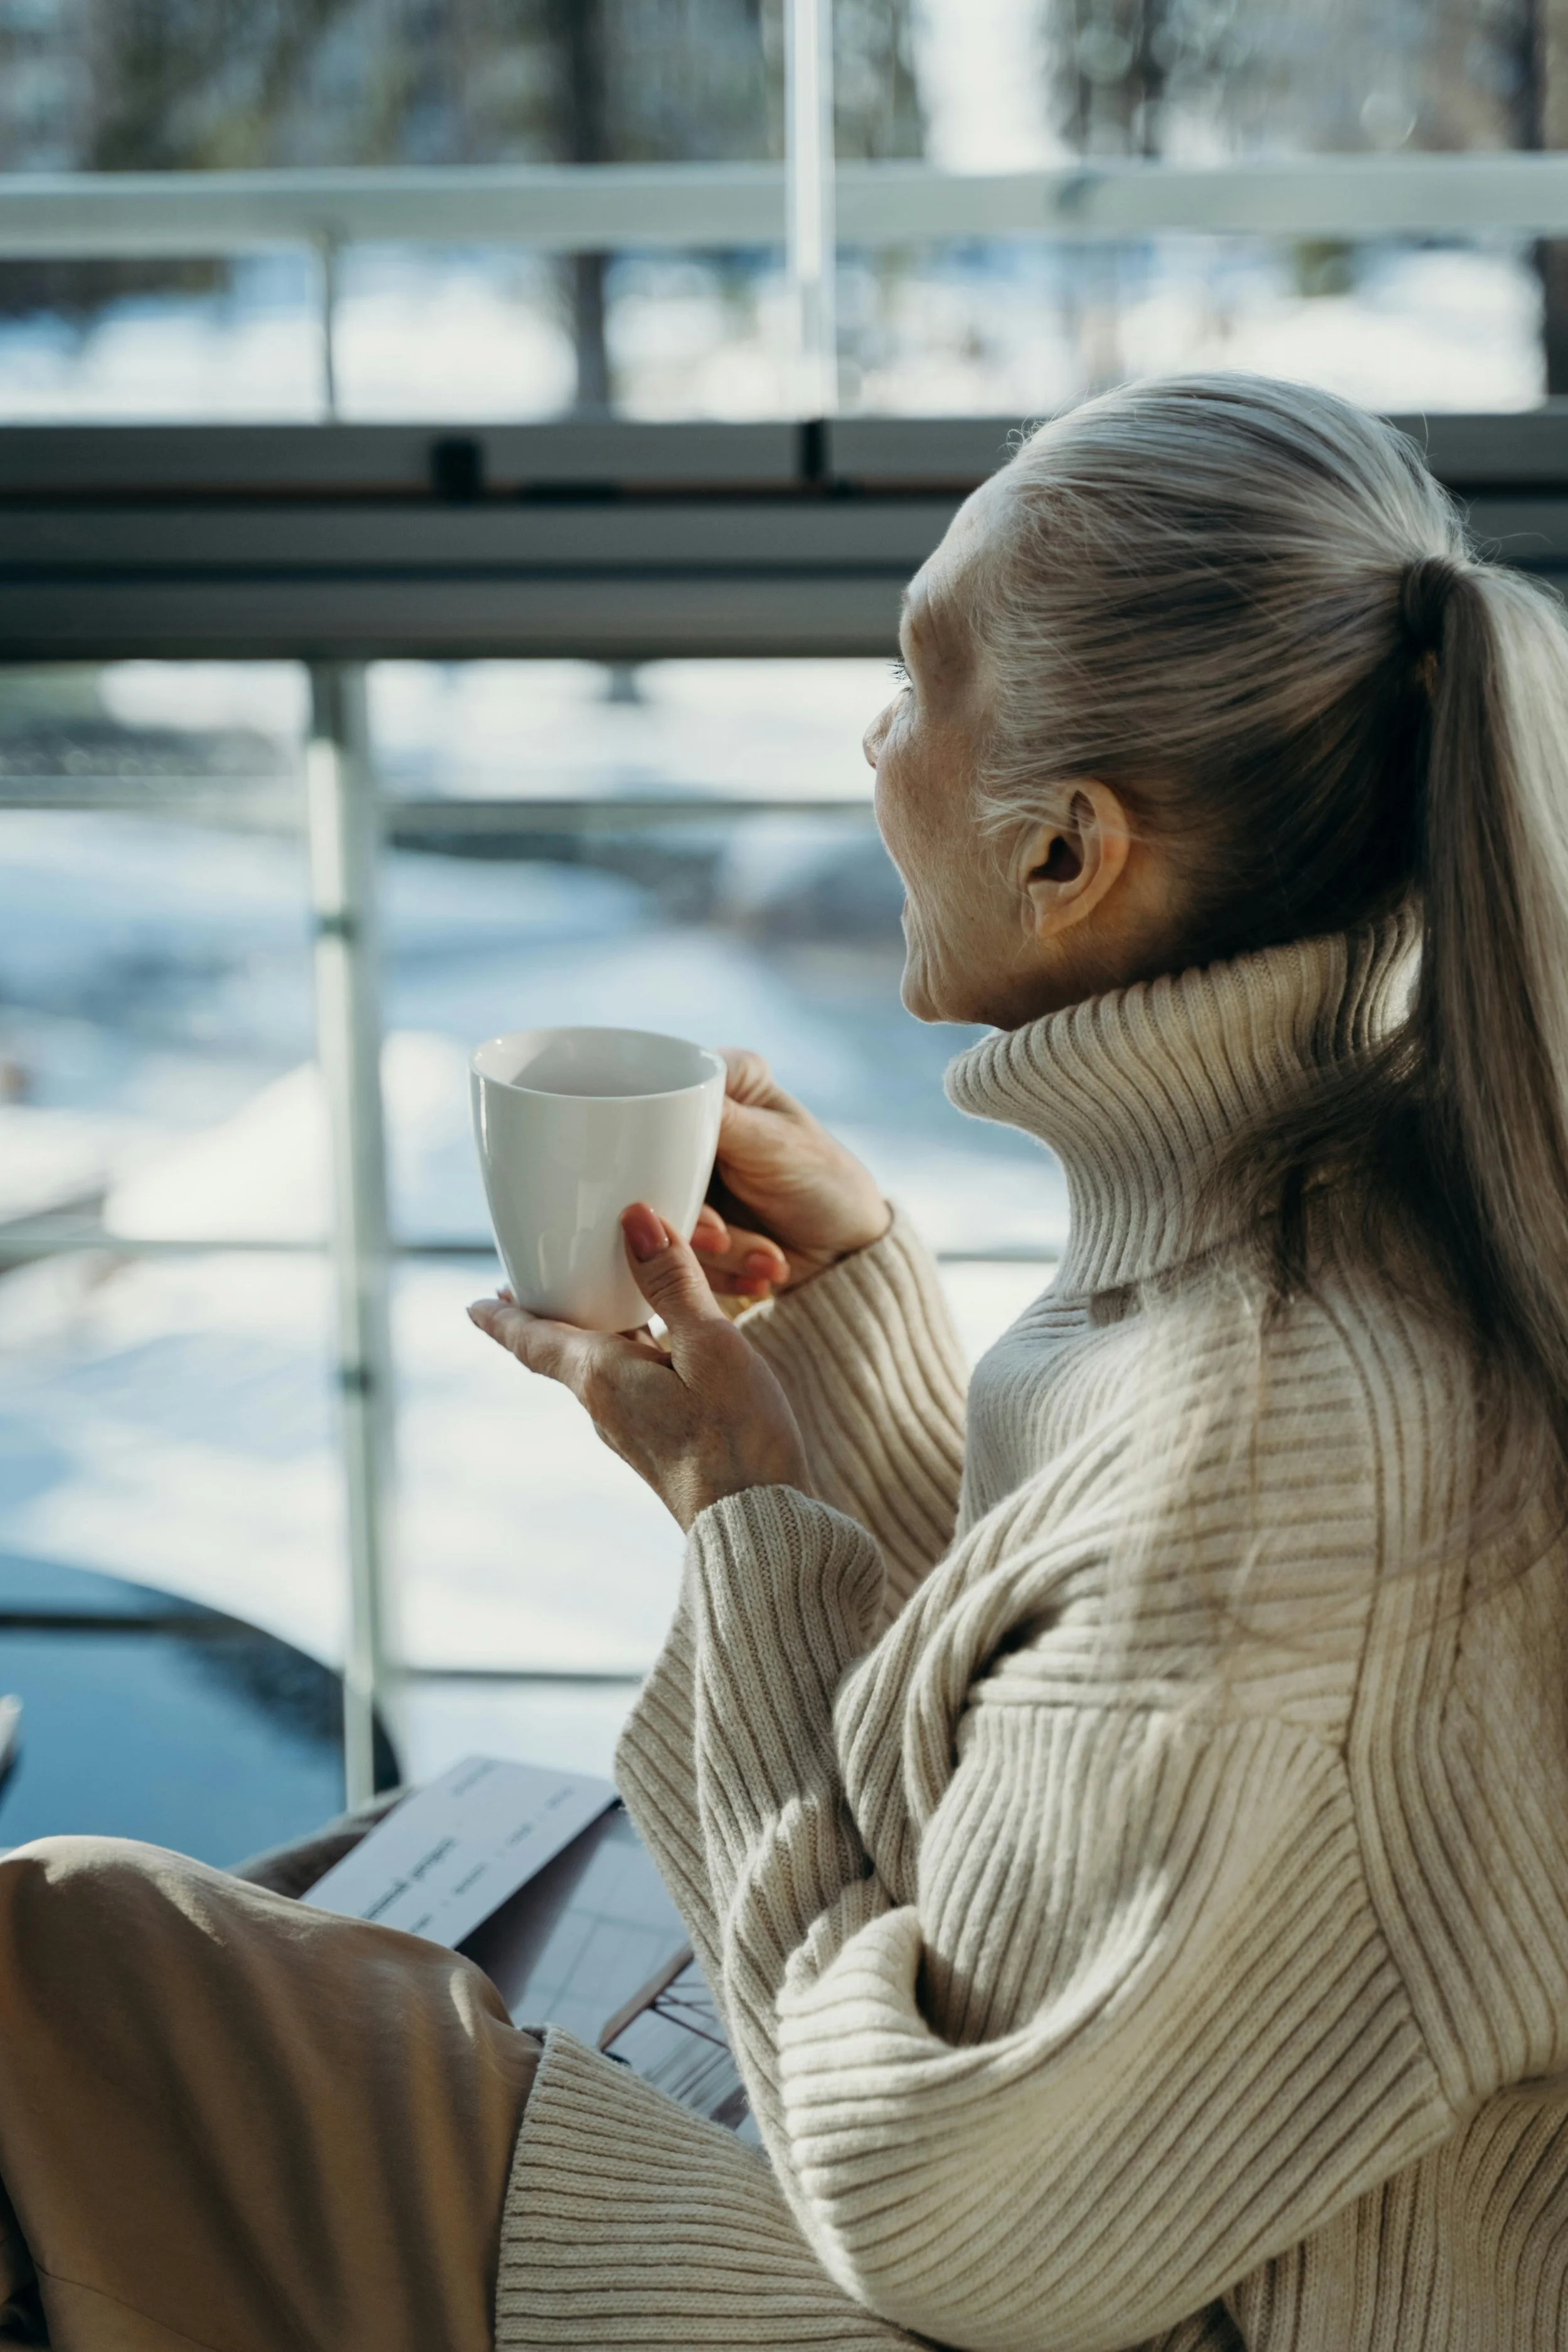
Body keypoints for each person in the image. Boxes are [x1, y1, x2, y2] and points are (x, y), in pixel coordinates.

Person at [4, 371, 1568, 2351]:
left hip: (1011, 2294)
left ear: (1069, 850)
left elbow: (947, 2220)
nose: (870, 736)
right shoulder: (1359, 1216)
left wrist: (740, 1516)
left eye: (921, 684)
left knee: (71, 1956)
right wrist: (840, 1350)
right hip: (1138, 2240)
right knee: (324, 1898)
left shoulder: (1279, 1416)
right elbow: (1062, 1795)